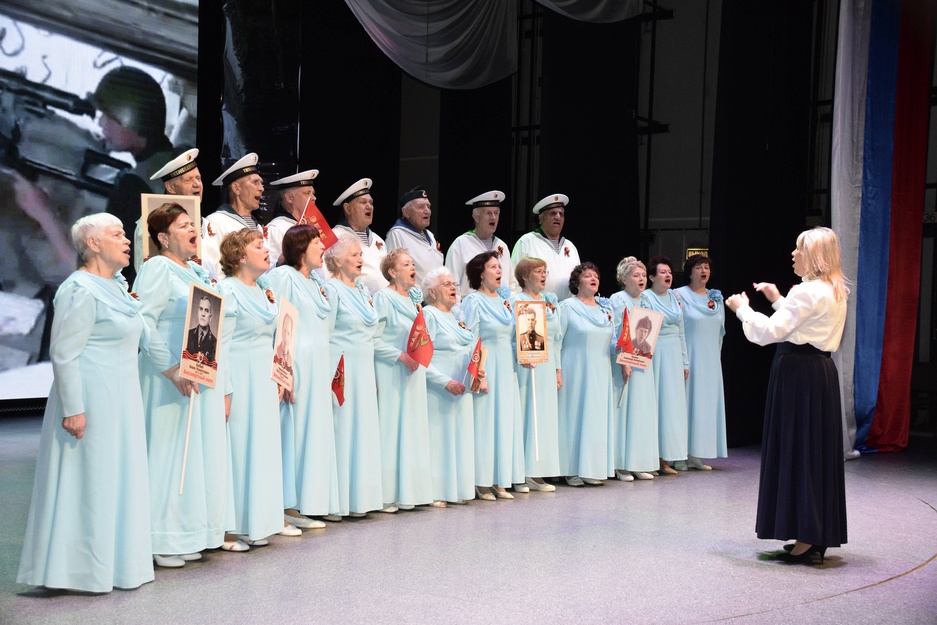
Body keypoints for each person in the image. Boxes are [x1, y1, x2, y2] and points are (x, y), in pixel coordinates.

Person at [17, 213, 154, 592]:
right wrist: (74, 409)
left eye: (125, 234)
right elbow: (64, 354)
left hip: (122, 399)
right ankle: (78, 570)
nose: (126, 241)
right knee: (90, 481)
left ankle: (117, 564)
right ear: (93, 244)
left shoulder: (117, 288)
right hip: (91, 400)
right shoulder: (80, 289)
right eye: (117, 234)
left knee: (116, 478)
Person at [725, 226, 849, 564]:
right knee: (811, 452)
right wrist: (778, 299)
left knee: (798, 450)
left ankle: (807, 535)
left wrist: (742, 309)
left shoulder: (807, 291)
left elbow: (769, 332)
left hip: (798, 376)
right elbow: (803, 324)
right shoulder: (834, 290)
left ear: (815, 256)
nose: (793, 254)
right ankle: (812, 532)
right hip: (819, 374)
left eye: (799, 249)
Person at [133, 203, 231, 564]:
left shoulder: (197, 271)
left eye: (193, 224)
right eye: (183, 225)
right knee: (168, 454)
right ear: (163, 237)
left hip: (199, 376)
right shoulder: (157, 268)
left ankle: (189, 533)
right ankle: (160, 539)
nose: (193, 230)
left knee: (193, 456)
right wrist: (172, 369)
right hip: (168, 379)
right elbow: (144, 321)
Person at [218, 228, 292, 545]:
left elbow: (277, 339)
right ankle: (229, 526)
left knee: (262, 446)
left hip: (263, 376)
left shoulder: (264, 291)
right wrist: (224, 389)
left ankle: (256, 521)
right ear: (240, 255)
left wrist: (280, 377)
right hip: (238, 373)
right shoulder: (226, 289)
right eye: (258, 245)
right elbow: (219, 344)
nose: (266, 250)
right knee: (238, 446)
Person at [267, 225, 340, 529]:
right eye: (316, 242)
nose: (323, 246)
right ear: (300, 247)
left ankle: (310, 501)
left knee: (314, 434)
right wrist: (283, 370)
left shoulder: (316, 283)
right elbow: (277, 326)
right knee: (293, 434)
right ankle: (287, 507)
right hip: (296, 365)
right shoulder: (283, 277)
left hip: (318, 367)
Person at [93, 66, 175, 284]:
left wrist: (41, 210)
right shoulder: (179, 159)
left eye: (108, 116)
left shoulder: (134, 187)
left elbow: (100, 275)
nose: (101, 123)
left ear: (131, 117)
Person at [323, 234, 384, 517]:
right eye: (354, 255)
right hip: (342, 366)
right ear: (336, 261)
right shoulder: (331, 289)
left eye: (361, 254)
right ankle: (339, 501)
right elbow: (326, 333)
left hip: (364, 366)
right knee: (344, 428)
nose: (361, 259)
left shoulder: (362, 290)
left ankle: (361, 499)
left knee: (363, 430)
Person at [373, 248, 434, 511]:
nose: (412, 268)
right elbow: (374, 340)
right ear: (392, 271)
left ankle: (410, 492)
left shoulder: (413, 301)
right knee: (391, 430)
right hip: (391, 371)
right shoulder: (383, 298)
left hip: (413, 372)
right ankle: (386, 495)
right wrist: (400, 356)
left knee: (412, 429)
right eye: (406, 264)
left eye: (412, 264)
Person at [460, 251, 525, 500]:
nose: (499, 271)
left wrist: (525, 356)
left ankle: (500, 479)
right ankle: (482, 480)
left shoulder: (505, 302)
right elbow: (470, 338)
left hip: (506, 369)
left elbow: (513, 337)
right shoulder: (473, 301)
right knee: (486, 423)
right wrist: (479, 373)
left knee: (504, 422)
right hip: (486, 367)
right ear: (480, 273)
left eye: (500, 267)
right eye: (493, 267)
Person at [557, 262, 615, 486]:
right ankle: (570, 469)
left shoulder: (605, 309)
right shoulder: (567, 307)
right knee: (573, 416)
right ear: (577, 282)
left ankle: (593, 468)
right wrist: (557, 370)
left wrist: (624, 349)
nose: (593, 279)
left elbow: (611, 340)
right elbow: (556, 341)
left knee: (595, 418)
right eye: (588, 275)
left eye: (596, 276)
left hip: (601, 370)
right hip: (575, 369)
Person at [422, 267, 476, 506]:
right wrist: (444, 382)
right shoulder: (429, 315)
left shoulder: (455, 316)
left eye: (453, 283)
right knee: (439, 440)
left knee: (459, 438)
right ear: (432, 292)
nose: (453, 287)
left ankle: (456, 489)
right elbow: (421, 358)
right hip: (440, 390)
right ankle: (436, 491)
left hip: (461, 388)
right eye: (446, 284)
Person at [511, 258, 561, 492]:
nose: (543, 275)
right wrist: (521, 355)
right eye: (538, 271)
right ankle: (520, 472)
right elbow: (511, 336)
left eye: (545, 271)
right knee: (526, 413)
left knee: (543, 417)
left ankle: (537, 469)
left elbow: (556, 340)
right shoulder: (516, 301)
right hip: (526, 366)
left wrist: (558, 369)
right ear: (525, 276)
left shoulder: (548, 302)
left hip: (547, 367)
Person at [675, 254, 726, 471]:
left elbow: (720, 332)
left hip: (710, 360)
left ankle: (696, 454)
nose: (703, 271)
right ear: (690, 272)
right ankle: (679, 454)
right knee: (686, 404)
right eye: (698, 267)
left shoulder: (716, 299)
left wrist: (716, 358)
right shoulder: (679, 295)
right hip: (689, 357)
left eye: (706, 267)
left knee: (704, 406)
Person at [609, 256, 658, 481]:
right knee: (625, 411)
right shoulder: (619, 299)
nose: (641, 279)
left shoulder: (646, 300)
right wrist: (624, 361)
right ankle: (621, 464)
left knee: (640, 411)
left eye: (643, 275)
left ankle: (638, 461)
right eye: (636, 275)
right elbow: (615, 331)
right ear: (624, 278)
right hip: (625, 362)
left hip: (643, 361)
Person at [645, 256, 689, 476]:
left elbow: (681, 331)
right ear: (652, 277)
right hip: (655, 353)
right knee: (657, 404)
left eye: (669, 272)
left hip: (673, 355)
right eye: (662, 272)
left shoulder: (674, 297)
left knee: (672, 406)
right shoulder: (646, 297)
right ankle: (654, 457)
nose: (667, 275)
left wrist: (684, 361)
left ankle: (669, 455)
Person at [201, 153, 269, 280]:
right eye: (255, 182)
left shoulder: (258, 227)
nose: (261, 188)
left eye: (261, 183)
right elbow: (212, 269)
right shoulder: (216, 222)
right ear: (236, 188)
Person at [133, 147, 202, 272]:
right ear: (170, 187)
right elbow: (145, 273)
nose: (197, 184)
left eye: (198, 178)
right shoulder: (151, 222)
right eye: (188, 180)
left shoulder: (206, 223)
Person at [445, 190, 517, 298]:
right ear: (476, 217)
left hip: (500, 306)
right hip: (471, 306)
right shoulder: (461, 244)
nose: (493, 217)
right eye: (488, 213)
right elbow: (451, 283)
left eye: (496, 213)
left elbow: (511, 283)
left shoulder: (502, 246)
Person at [510, 194, 581, 301]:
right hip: (535, 306)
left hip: (566, 307)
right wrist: (518, 304)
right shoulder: (527, 241)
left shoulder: (570, 246)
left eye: (561, 214)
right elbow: (513, 279)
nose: (558, 217)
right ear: (541, 218)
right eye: (553, 213)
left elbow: (579, 281)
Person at [331, 178, 388, 294]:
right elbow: (328, 274)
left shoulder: (378, 239)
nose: (369, 206)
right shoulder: (335, 236)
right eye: (363, 202)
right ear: (347, 208)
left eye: (371, 203)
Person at [384, 185, 443, 287]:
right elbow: (391, 273)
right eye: (421, 207)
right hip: (412, 295)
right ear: (406, 212)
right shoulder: (397, 234)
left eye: (428, 207)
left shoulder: (430, 236)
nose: (427, 211)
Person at [266, 169, 319, 265]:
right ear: (289, 198)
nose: (313, 198)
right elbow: (270, 266)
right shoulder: (276, 228)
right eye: (307, 193)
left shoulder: (315, 226)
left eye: (313, 193)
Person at [185, 295, 218, 364]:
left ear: (210, 317)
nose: (203, 314)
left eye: (206, 310)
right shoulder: (188, 334)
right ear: (198, 312)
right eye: (201, 309)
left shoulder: (215, 343)